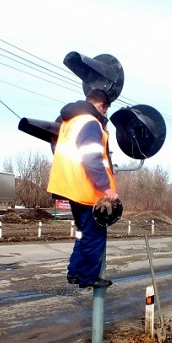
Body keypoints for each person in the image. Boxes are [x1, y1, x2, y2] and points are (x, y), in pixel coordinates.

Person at [47, 89, 119, 289]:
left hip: (70, 187)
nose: (104, 116)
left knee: (82, 233)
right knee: (95, 234)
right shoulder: (90, 122)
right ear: (101, 106)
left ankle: (75, 272)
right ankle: (88, 276)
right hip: (86, 189)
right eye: (105, 111)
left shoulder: (70, 122)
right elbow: (92, 158)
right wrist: (106, 187)